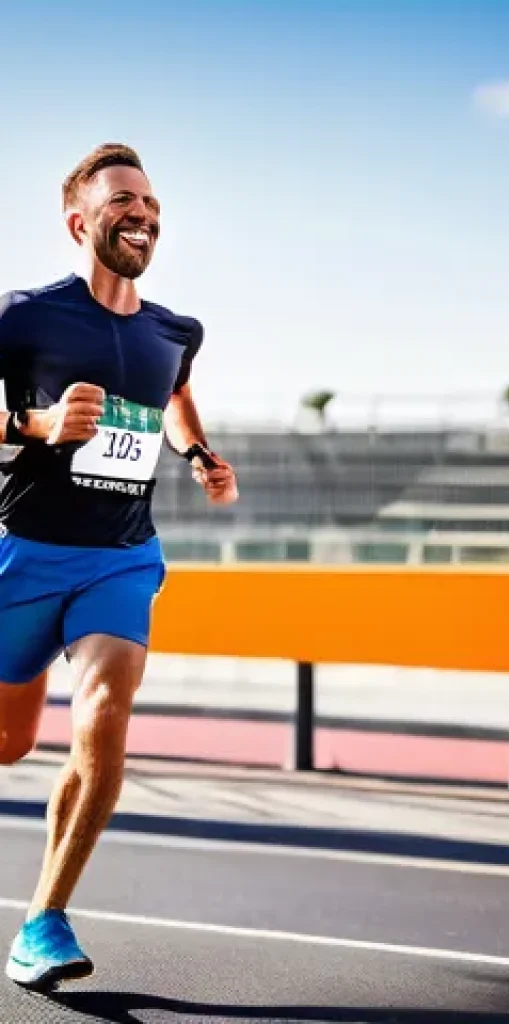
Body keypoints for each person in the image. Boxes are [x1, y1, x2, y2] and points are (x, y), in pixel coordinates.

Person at [0, 143, 238, 991]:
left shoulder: (174, 331)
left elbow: (174, 393)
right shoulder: (24, 318)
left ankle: (43, 920)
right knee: (9, 743)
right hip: (24, 552)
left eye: (151, 204)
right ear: (80, 223)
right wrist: (36, 426)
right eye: (122, 202)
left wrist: (197, 452)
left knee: (104, 713)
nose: (142, 214)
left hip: (122, 556)